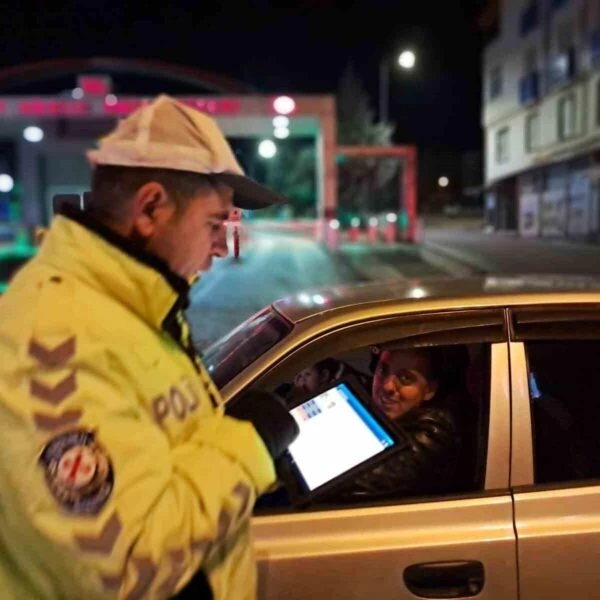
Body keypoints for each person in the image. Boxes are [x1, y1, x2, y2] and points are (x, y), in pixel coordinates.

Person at [0, 95, 299, 600]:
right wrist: (248, 443)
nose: (222, 247)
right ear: (151, 208)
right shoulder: (51, 344)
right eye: (213, 224)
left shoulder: (135, 308)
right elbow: (129, 567)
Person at [338, 345, 468, 501]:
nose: (387, 386)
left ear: (430, 390)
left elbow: (349, 484)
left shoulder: (434, 432)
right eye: (383, 370)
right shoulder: (389, 413)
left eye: (406, 378)